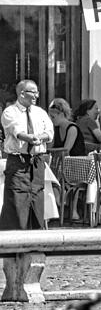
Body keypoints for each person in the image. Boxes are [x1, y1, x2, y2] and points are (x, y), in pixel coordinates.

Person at [0, 79, 53, 230]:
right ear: (22, 93)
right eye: (33, 91)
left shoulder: (40, 112)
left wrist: (39, 138)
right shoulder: (10, 112)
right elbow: (16, 131)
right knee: (17, 200)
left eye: (37, 92)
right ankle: (15, 240)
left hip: (37, 162)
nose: (37, 95)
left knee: (37, 199)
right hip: (18, 162)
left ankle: (36, 240)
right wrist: (31, 138)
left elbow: (49, 132)